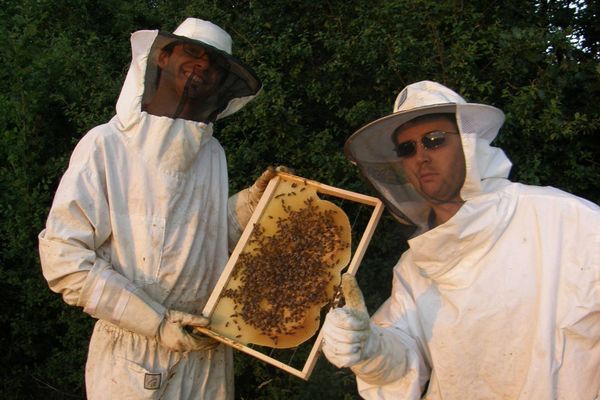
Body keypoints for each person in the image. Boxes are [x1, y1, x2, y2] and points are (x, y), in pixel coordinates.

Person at [38, 18, 274, 399]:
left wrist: (249, 204)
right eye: (192, 53)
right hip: (133, 358)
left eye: (214, 65)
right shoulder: (106, 145)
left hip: (207, 353)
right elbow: (63, 258)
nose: (202, 67)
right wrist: (155, 322)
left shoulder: (211, 154)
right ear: (162, 57)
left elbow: (207, 240)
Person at [321, 80, 600, 399]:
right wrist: (369, 349)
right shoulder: (413, 269)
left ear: (469, 143)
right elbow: (403, 363)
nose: (421, 156)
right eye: (407, 148)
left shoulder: (561, 218)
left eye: (434, 140)